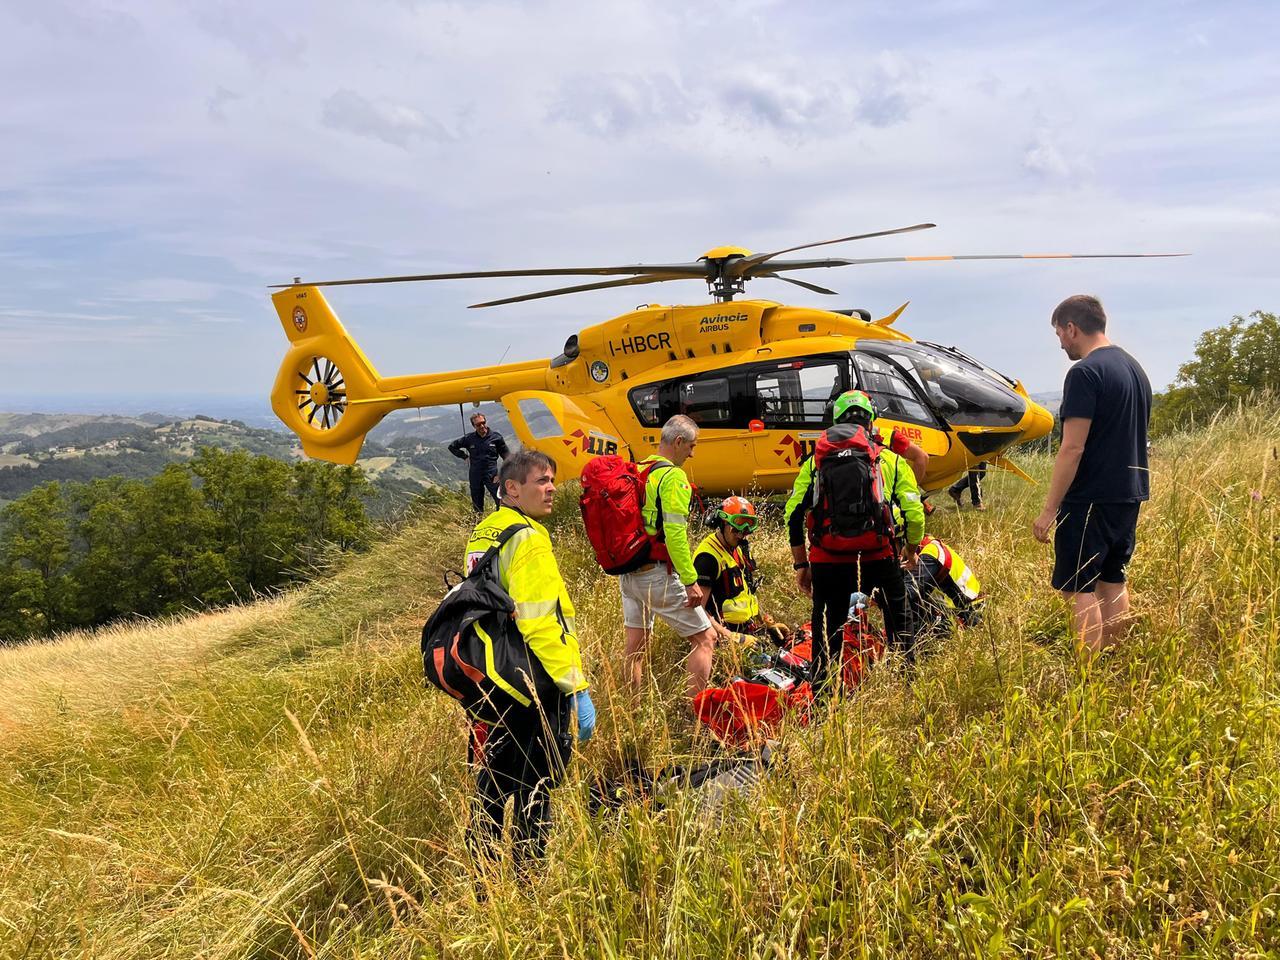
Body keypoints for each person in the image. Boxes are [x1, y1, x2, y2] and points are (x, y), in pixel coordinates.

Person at [462, 449, 593, 867]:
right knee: (537, 783)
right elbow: (539, 622)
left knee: (495, 780)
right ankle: (529, 879)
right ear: (512, 488)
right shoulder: (530, 538)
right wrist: (575, 686)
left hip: (491, 677)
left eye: (552, 478)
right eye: (541, 480)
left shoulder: (486, 531)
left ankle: (482, 878)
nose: (552, 487)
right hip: (531, 680)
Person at [1032, 294, 1152, 654]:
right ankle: (1116, 664)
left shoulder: (1084, 372)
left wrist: (1050, 510)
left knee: (1078, 587)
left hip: (1090, 498)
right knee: (1112, 580)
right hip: (1129, 493)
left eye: (1059, 334)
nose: (1060, 342)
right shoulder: (1134, 369)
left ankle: (1089, 677)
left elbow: (1072, 448)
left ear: (1072, 328)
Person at [785, 390, 925, 695]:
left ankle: (823, 695)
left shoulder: (816, 462)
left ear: (835, 421)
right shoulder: (888, 459)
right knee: (899, 620)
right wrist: (911, 551)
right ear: (871, 420)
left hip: (828, 561)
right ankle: (907, 687)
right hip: (880, 556)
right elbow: (915, 513)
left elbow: (793, 514)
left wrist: (801, 564)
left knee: (826, 629)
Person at [620, 414, 719, 701]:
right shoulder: (673, 477)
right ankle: (697, 715)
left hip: (629, 573)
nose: (692, 452)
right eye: (691, 446)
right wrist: (690, 581)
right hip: (656, 574)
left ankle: (631, 711)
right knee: (705, 639)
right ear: (678, 441)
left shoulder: (639, 468)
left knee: (634, 648)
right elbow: (675, 535)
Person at [693, 496, 788, 647]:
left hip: (746, 630)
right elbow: (698, 610)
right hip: (723, 635)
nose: (740, 535)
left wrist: (768, 624)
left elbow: (748, 593)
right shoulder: (707, 558)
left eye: (746, 530)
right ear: (722, 523)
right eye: (735, 529)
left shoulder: (740, 549)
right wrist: (732, 637)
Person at [909, 534, 984, 631]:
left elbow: (907, 592)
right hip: (968, 606)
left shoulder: (930, 554)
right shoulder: (931, 545)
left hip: (965, 614)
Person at [449, 411, 509, 512]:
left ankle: (501, 523)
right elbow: (452, 447)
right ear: (474, 426)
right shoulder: (469, 438)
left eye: (483, 422)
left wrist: (501, 474)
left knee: (501, 501)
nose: (482, 426)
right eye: (478, 424)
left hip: (492, 475)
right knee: (477, 505)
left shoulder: (496, 437)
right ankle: (478, 524)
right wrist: (464, 456)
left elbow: (508, 457)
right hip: (475, 474)